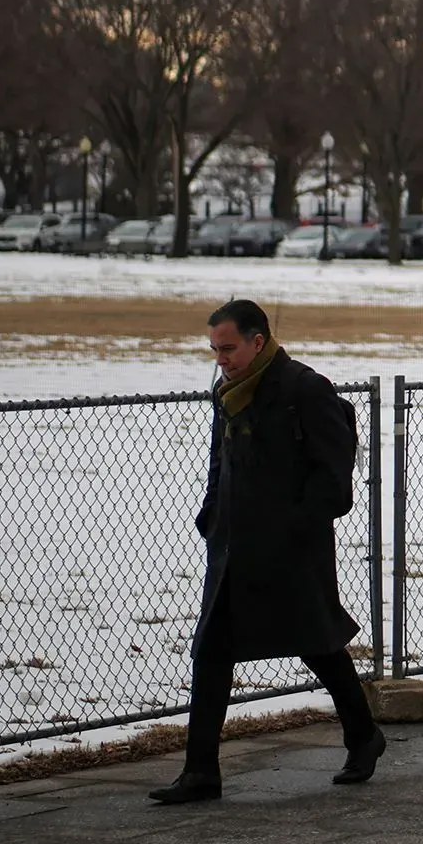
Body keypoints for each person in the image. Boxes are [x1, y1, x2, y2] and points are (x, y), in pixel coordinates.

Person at [149, 298, 385, 805]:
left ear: (258, 341)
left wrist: (294, 527)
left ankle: (364, 736)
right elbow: (221, 461)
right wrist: (212, 514)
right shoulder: (227, 392)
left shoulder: (305, 389)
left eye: (228, 348)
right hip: (234, 545)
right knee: (211, 652)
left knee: (317, 644)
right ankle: (200, 772)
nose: (220, 359)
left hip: (292, 549)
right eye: (214, 349)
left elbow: (334, 482)